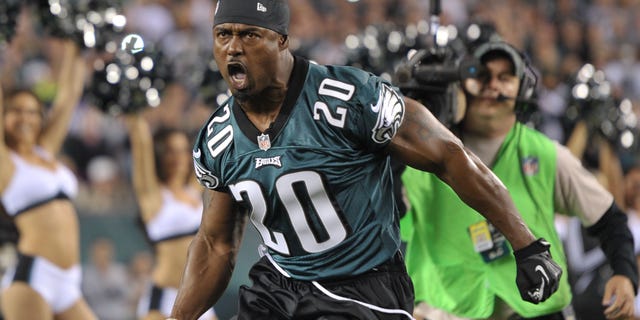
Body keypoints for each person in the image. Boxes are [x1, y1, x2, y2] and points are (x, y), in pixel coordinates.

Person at [170, 1, 563, 319]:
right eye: (223, 35)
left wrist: (526, 245)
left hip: (364, 285)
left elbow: (450, 156)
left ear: (282, 41)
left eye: (249, 34)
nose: (233, 48)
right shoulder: (217, 140)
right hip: (279, 284)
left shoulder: (350, 97)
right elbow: (216, 244)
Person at [400, 39, 638, 320]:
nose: (493, 85)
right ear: (461, 82)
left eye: (505, 77)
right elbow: (387, 218)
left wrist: (624, 273)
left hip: (537, 312)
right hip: (446, 312)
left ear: (523, 87)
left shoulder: (546, 154)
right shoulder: (422, 153)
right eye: (482, 75)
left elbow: (609, 219)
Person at [0, 40, 97, 319]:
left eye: (32, 111)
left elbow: (68, 95)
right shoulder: (5, 161)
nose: (25, 118)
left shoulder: (45, 152)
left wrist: (77, 44)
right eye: (16, 111)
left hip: (68, 282)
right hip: (33, 276)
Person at [122, 112, 217, 320]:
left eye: (183, 151)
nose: (178, 158)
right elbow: (141, 144)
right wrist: (134, 112)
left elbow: (213, 140)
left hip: (198, 297)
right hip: (165, 299)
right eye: (170, 151)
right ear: (160, 155)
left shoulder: (193, 190)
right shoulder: (153, 196)